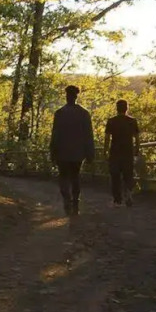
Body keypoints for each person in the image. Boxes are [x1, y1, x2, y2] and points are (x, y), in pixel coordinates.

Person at [48, 84, 95, 215]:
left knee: (63, 177)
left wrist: (52, 151)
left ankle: (67, 199)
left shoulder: (60, 113)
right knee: (75, 176)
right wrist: (90, 152)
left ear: (67, 96)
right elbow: (88, 135)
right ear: (76, 96)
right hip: (78, 152)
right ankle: (75, 202)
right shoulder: (84, 113)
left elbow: (55, 134)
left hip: (62, 152)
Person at [104, 98, 140, 206]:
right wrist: (136, 151)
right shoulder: (132, 121)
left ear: (117, 108)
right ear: (126, 108)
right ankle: (128, 194)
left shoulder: (111, 121)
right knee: (128, 174)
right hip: (128, 152)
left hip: (115, 152)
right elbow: (137, 138)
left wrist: (105, 151)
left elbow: (107, 138)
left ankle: (117, 200)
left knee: (115, 176)